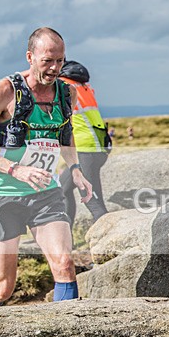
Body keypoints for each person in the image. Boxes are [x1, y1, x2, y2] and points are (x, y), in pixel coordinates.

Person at [0, 27, 93, 307]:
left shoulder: (66, 94)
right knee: (3, 289)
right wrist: (15, 169)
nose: (54, 68)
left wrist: (75, 169)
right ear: (30, 57)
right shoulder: (4, 91)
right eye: (47, 60)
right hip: (5, 194)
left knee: (64, 264)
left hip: (45, 192)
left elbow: (65, 135)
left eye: (60, 60)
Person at [58, 60, 110, 223]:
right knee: (62, 189)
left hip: (85, 149)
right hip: (98, 147)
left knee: (91, 198)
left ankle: (110, 239)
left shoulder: (63, 86)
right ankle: (67, 237)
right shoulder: (85, 88)